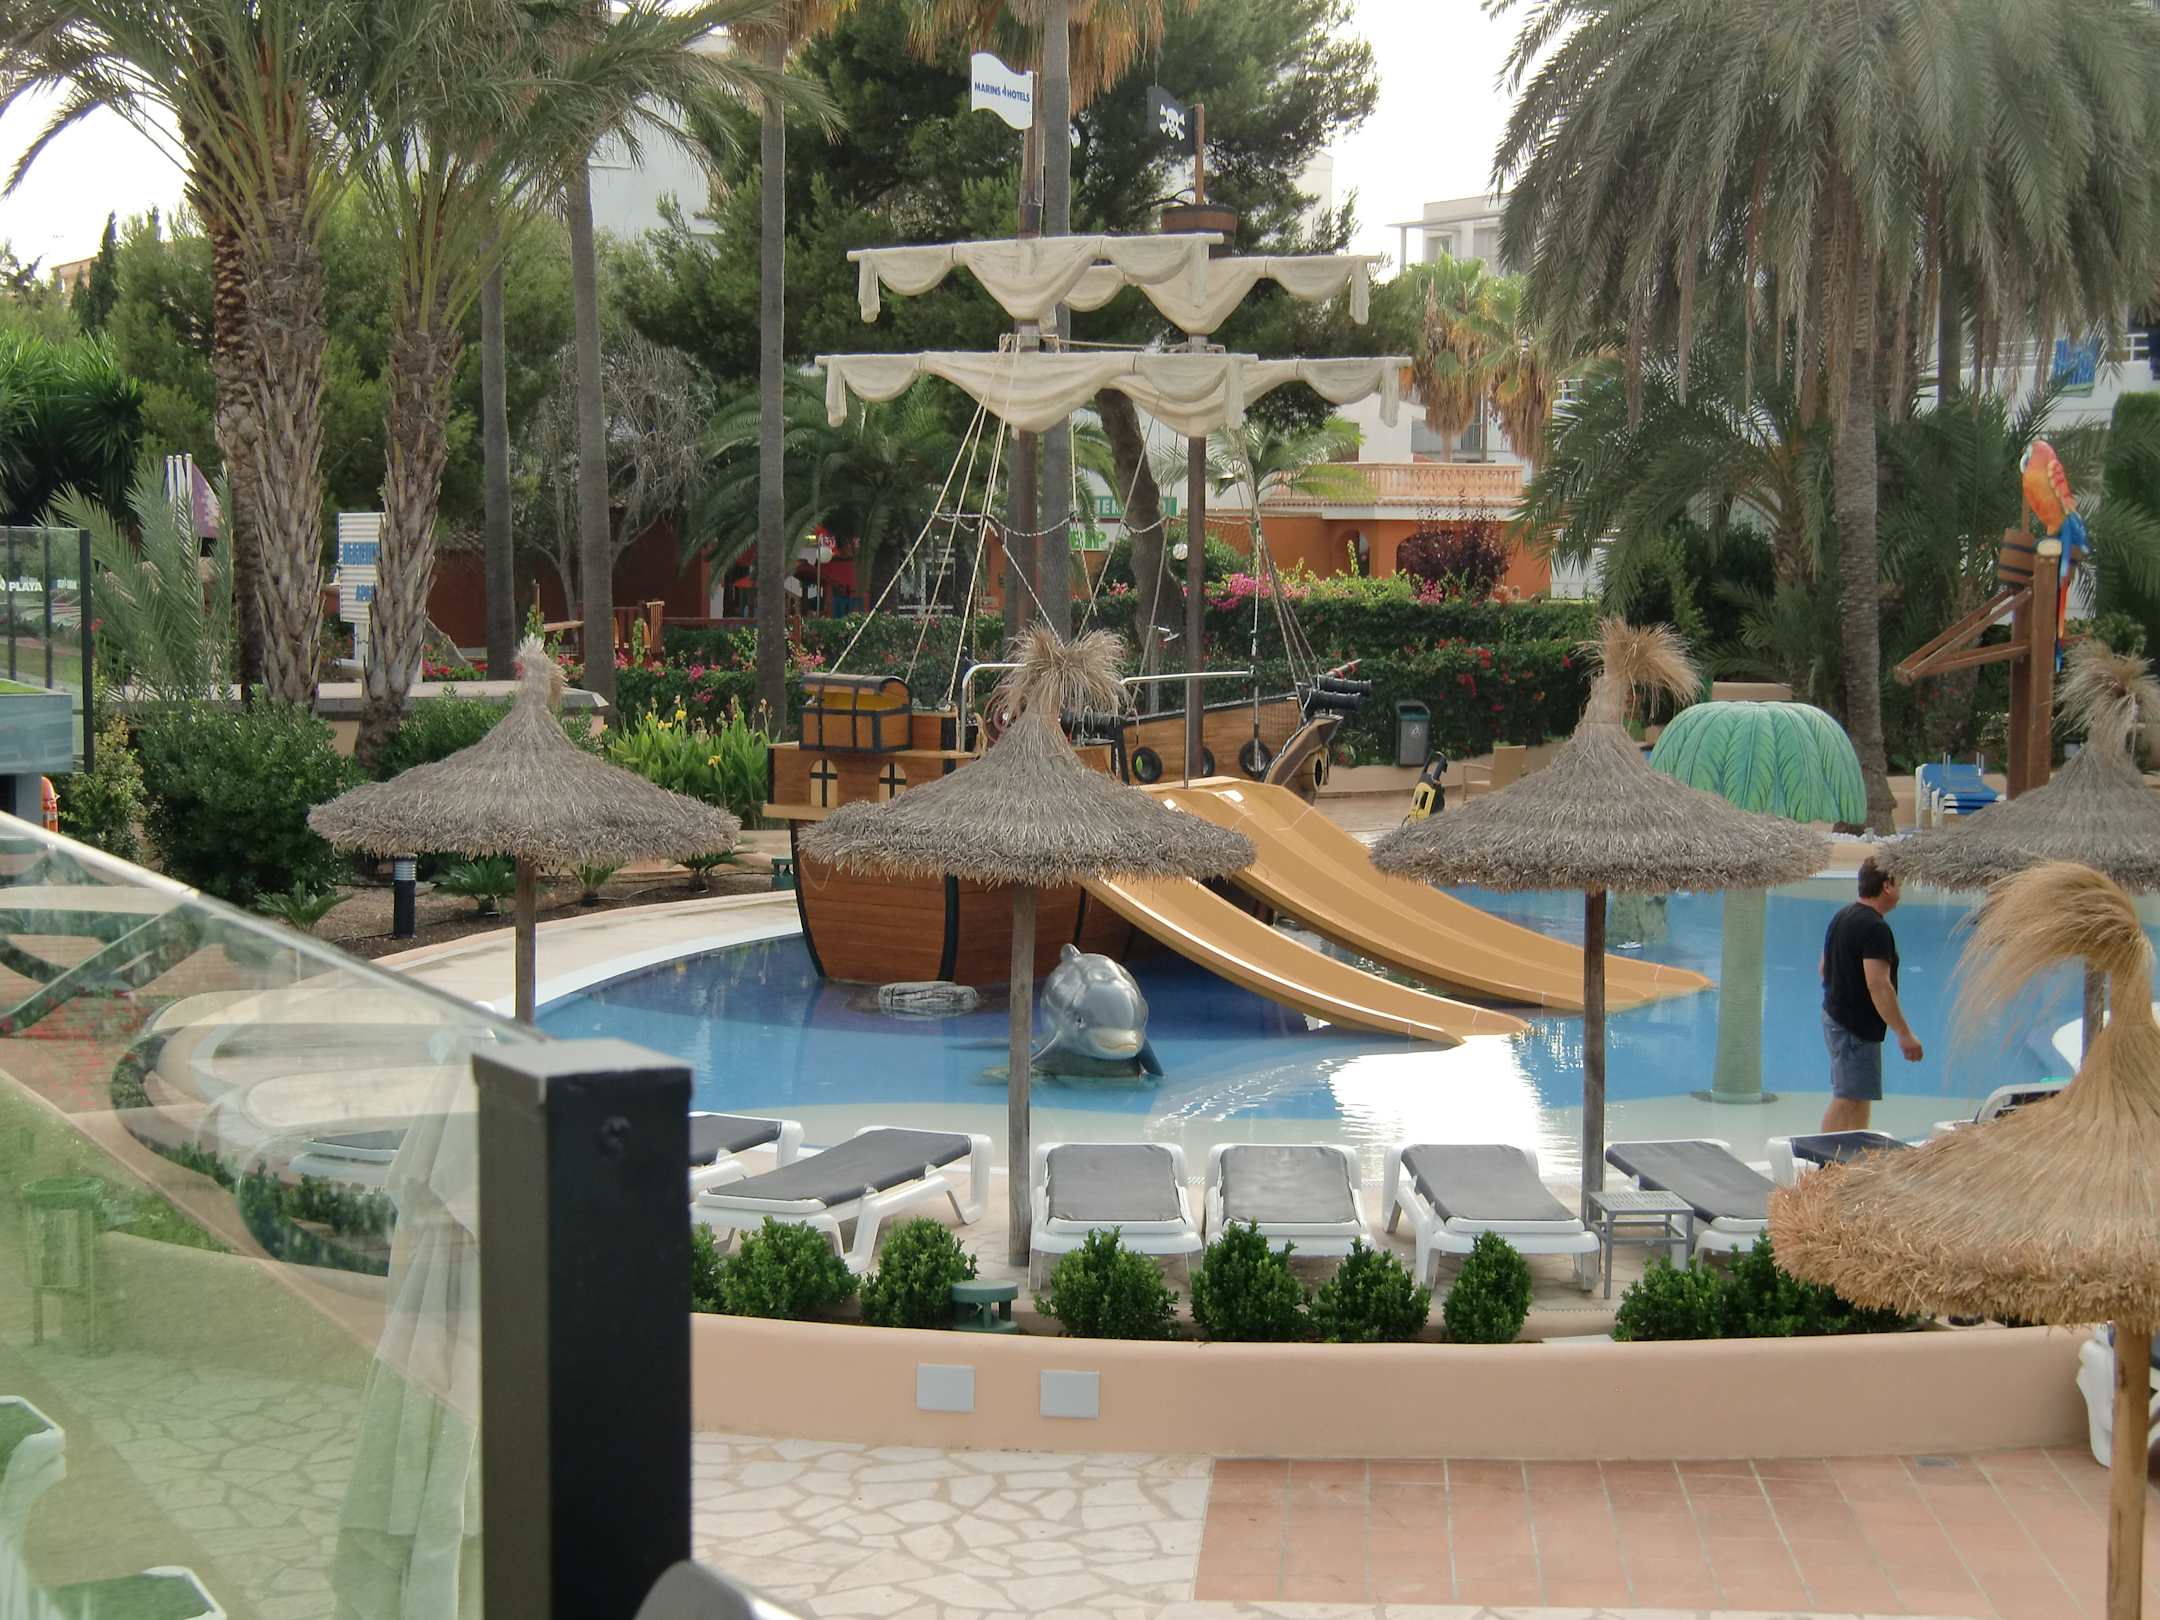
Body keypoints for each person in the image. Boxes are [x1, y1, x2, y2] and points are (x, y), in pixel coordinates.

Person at [1819, 858, 1923, 1131]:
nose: (1901, 890)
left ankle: (1856, 1152)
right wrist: (1904, 1034)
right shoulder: (1875, 928)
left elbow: (1823, 968)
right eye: (1899, 883)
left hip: (1838, 1018)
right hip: (1854, 1027)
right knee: (1848, 1099)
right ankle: (1821, 1155)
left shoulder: (1842, 916)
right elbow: (1878, 984)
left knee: (1859, 1095)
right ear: (1887, 886)